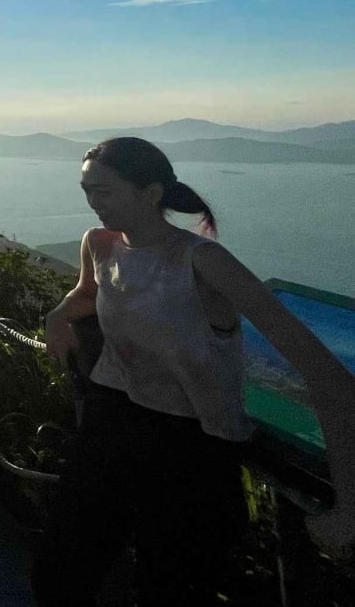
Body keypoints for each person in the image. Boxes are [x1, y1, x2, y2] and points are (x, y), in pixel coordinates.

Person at [34, 136, 355, 605]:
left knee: (172, 585)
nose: (91, 202)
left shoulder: (203, 262)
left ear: (152, 193)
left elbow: (328, 376)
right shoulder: (99, 244)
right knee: (59, 569)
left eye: (104, 191)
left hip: (190, 447)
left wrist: (348, 508)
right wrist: (57, 314)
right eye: (86, 189)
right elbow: (88, 292)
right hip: (111, 420)